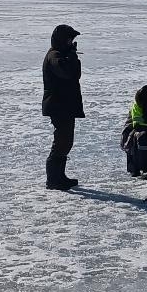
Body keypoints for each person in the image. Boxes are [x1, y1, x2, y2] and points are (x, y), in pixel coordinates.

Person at [42, 24, 83, 190]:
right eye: (68, 39)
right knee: (62, 141)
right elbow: (66, 73)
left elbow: (75, 74)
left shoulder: (61, 55)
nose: (70, 42)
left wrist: (71, 56)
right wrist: (71, 57)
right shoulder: (54, 56)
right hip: (59, 105)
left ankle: (59, 176)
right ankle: (53, 179)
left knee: (66, 141)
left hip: (65, 105)